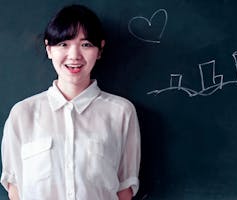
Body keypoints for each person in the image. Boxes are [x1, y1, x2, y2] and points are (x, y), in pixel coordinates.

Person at [1, 4, 141, 200]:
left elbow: (124, 189)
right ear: (49, 49)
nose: (74, 55)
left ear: (100, 50)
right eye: (63, 44)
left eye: (85, 44)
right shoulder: (22, 114)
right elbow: (14, 188)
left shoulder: (120, 112)